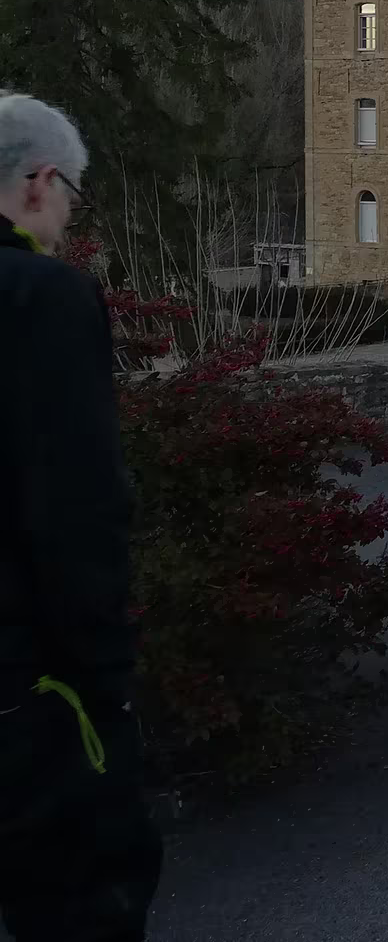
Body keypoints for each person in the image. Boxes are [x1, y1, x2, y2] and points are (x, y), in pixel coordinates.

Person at [0, 93, 162, 940]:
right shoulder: (41, 295)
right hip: (25, 681)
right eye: (68, 193)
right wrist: (105, 678)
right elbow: (76, 503)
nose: (66, 216)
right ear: (38, 183)